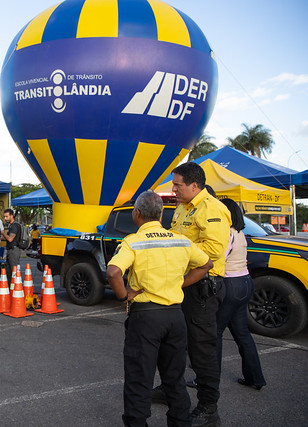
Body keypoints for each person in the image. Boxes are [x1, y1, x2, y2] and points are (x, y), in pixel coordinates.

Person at [106, 190, 213, 427]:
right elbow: (207, 264)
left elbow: (113, 271)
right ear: (161, 213)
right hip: (175, 316)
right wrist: (181, 283)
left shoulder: (133, 242)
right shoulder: (180, 240)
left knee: (139, 378)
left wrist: (125, 295)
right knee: (174, 378)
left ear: (137, 214)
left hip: (145, 318)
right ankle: (180, 421)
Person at [162, 162, 231, 427]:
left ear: (194, 185)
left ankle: (208, 407)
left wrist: (176, 245)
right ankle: (171, 390)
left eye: (177, 184)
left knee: (202, 349)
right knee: (176, 342)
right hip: (182, 283)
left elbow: (213, 251)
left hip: (203, 287)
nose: (173, 189)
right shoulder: (182, 207)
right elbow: (177, 236)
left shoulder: (211, 208)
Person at [217, 198, 266, 390]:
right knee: (242, 333)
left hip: (230, 284)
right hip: (245, 282)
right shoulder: (240, 233)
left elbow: (218, 258)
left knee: (214, 333)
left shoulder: (226, 233)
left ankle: (208, 380)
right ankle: (255, 378)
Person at [2, 209, 22, 279]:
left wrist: (3, 233)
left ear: (12, 216)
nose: (5, 218)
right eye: (4, 217)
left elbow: (10, 239)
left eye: (7, 216)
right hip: (11, 250)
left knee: (13, 270)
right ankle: (11, 287)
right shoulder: (11, 226)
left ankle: (15, 287)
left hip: (14, 250)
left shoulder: (14, 226)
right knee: (9, 270)